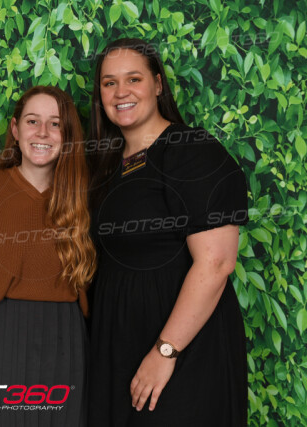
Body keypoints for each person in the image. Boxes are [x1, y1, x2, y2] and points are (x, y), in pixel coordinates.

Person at [87, 38, 248, 426]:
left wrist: (165, 351)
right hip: (120, 351)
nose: (121, 92)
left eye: (134, 79)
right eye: (109, 83)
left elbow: (217, 263)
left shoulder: (192, 151)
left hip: (182, 355)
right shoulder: (109, 166)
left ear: (158, 84)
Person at [0, 86, 96, 426]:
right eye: (32, 121)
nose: (42, 133)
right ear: (15, 128)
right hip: (4, 330)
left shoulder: (84, 195)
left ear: (68, 135)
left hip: (66, 333)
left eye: (56, 124)